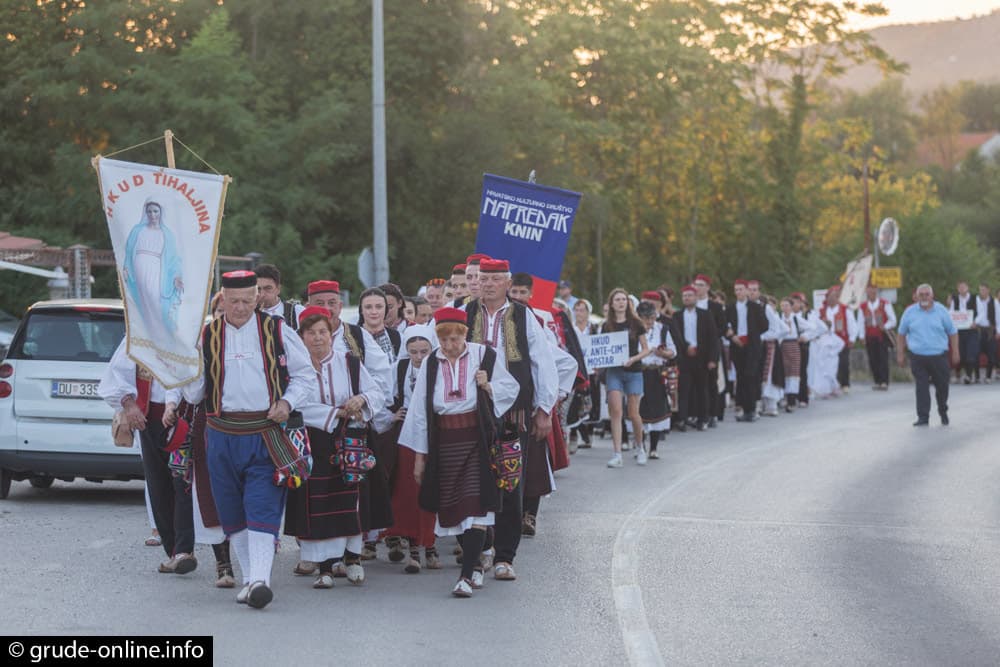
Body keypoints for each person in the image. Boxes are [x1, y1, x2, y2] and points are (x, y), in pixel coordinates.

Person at [179, 270, 316, 609]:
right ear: (221, 300)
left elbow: (305, 376)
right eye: (233, 301)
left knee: (262, 505)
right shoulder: (205, 335)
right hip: (221, 435)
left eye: (247, 300)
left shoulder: (277, 330)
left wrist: (287, 402)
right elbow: (194, 394)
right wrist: (184, 365)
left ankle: (260, 581)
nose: (240, 307)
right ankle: (250, 579)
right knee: (231, 511)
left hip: (264, 432)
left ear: (258, 298)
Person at [399, 307, 521, 597]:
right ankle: (477, 563)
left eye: (456, 339)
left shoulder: (484, 356)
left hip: (477, 439)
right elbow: (418, 411)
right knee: (454, 509)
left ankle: (465, 577)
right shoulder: (430, 363)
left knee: (476, 506)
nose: (451, 346)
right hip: (444, 441)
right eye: (445, 340)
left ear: (465, 334)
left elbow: (510, 388)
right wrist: (420, 456)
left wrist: (488, 385)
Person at [463, 258, 558, 581]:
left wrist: (544, 408)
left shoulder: (522, 315)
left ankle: (505, 555)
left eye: (494, 280)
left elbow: (543, 362)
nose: (487, 285)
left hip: (514, 411)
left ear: (506, 283)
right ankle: (482, 548)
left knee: (511, 481)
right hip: (473, 409)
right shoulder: (466, 313)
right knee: (476, 481)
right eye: (483, 279)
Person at [284, 306, 383, 589]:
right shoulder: (295, 369)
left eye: (323, 332)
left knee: (350, 500)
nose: (318, 338)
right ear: (301, 337)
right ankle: (325, 568)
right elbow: (296, 403)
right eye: (311, 333)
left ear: (331, 335)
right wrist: (333, 413)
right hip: (312, 441)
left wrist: (361, 400)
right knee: (319, 503)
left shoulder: (349, 362)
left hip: (349, 441)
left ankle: (352, 559)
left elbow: (376, 391)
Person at [99, 341, 195, 576]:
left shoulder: (189, 326)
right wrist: (130, 405)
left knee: (182, 480)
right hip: (150, 415)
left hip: (184, 413)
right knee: (158, 483)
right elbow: (117, 372)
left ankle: (184, 550)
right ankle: (174, 550)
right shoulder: (139, 331)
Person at [377, 324, 441, 573]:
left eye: (424, 351)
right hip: (406, 436)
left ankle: (431, 544)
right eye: (413, 352)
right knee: (408, 492)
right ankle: (414, 545)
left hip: (433, 435)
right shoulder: (400, 369)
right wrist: (392, 415)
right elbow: (383, 395)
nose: (418, 357)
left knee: (431, 489)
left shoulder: (437, 368)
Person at [122, 197, 183, 348]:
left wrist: (176, 276)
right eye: (149, 211)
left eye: (155, 211)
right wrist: (126, 268)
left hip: (157, 269)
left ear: (161, 213)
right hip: (139, 266)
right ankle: (147, 334)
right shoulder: (138, 230)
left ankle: (160, 336)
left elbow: (174, 258)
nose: (152, 214)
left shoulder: (167, 233)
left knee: (156, 300)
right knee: (143, 299)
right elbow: (129, 251)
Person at [602, 288, 652, 466]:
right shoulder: (606, 325)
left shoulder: (636, 323)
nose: (621, 302)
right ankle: (617, 454)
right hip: (614, 371)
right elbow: (601, 348)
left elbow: (646, 349)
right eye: (617, 300)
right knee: (616, 411)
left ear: (628, 303)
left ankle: (640, 447)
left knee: (633, 413)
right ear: (611, 303)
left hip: (634, 370)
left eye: (623, 299)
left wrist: (633, 359)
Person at [897, 284, 959, 426]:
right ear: (917, 296)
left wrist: (955, 351)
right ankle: (923, 417)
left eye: (927, 294)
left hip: (939, 356)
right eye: (921, 294)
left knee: (942, 387)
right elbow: (901, 334)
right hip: (918, 356)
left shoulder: (941, 310)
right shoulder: (910, 312)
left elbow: (953, 332)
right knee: (921, 387)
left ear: (932, 296)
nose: (924, 297)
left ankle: (943, 410)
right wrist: (900, 354)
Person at [672, 285, 718, 431]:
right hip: (685, 357)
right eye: (684, 296)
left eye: (690, 295)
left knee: (701, 389)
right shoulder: (677, 316)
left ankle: (703, 418)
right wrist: (686, 347)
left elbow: (713, 338)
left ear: (696, 297)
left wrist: (712, 359)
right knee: (684, 389)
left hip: (702, 357)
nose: (687, 298)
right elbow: (676, 336)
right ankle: (683, 419)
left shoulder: (705, 314)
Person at [636, 301, 675, 457]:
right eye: (646, 318)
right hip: (639, 372)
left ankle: (654, 448)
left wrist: (664, 353)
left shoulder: (663, 330)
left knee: (657, 409)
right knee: (639, 409)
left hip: (656, 372)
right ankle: (641, 446)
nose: (649, 322)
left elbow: (673, 351)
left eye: (652, 318)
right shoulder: (634, 331)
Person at [725, 280, 767, 422]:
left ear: (747, 291)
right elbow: (725, 326)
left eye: (741, 289)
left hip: (752, 346)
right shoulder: (730, 308)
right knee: (741, 377)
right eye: (736, 290)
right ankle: (742, 407)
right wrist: (732, 336)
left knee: (751, 376)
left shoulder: (755, 307)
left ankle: (751, 409)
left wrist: (752, 334)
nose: (739, 292)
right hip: (737, 345)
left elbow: (764, 326)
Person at [693, 274, 726, 426]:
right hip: (693, 350)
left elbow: (722, 328)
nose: (697, 288)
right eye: (696, 285)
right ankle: (697, 414)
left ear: (707, 287)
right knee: (696, 383)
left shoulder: (716, 307)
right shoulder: (690, 306)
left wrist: (709, 339)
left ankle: (713, 413)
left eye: (700, 285)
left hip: (710, 349)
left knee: (712, 382)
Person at [857, 284, 896, 390]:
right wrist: (861, 335)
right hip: (869, 335)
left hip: (881, 335)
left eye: (873, 291)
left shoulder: (885, 304)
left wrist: (885, 326)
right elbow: (860, 322)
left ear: (876, 292)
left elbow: (893, 319)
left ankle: (884, 381)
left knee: (883, 358)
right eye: (869, 292)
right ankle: (877, 381)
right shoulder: (863, 306)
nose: (871, 294)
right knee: (872, 358)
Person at [819, 286, 858, 392]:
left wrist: (852, 338)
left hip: (842, 340)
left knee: (843, 362)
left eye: (835, 297)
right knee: (828, 364)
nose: (832, 299)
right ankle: (831, 384)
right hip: (826, 342)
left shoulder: (845, 310)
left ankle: (845, 383)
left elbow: (852, 324)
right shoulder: (822, 311)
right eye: (830, 297)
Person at [949, 281, 978, 384]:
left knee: (970, 353)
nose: (962, 289)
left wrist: (976, 321)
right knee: (960, 352)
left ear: (967, 287)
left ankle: (969, 376)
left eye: (964, 287)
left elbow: (981, 312)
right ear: (957, 289)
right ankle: (958, 373)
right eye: (960, 287)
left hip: (971, 330)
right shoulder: (955, 300)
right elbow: (951, 313)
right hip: (959, 331)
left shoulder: (975, 298)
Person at [973, 283, 998, 383]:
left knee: (991, 354)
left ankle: (988, 377)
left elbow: (998, 318)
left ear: (988, 290)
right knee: (975, 354)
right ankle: (977, 377)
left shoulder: (994, 302)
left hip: (990, 330)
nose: (981, 292)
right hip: (978, 330)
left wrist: (998, 331)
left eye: (983, 290)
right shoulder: (976, 301)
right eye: (980, 290)